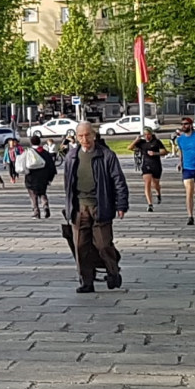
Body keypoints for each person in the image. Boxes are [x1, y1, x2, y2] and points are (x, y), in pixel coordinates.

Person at [64, 121, 129, 293]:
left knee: (103, 244)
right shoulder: (71, 156)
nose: (84, 139)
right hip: (79, 207)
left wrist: (121, 204)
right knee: (80, 246)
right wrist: (69, 206)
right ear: (76, 137)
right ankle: (86, 280)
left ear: (94, 135)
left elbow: (119, 181)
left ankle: (113, 271)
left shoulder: (106, 155)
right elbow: (68, 184)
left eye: (87, 135)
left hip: (101, 206)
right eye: (80, 136)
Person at [130, 128, 167, 212]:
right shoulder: (141, 143)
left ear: (151, 134)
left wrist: (155, 153)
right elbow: (130, 148)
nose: (147, 136)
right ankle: (150, 204)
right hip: (146, 165)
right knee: (147, 183)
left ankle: (158, 193)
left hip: (156, 165)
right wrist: (136, 140)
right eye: (145, 134)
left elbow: (165, 151)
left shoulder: (156, 142)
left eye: (148, 134)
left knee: (155, 184)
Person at [22, 134, 57, 219]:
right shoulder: (46, 153)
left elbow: (23, 165)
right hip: (43, 178)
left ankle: (36, 212)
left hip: (31, 178)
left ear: (31, 143)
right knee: (42, 193)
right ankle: (45, 206)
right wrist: (50, 178)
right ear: (40, 142)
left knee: (33, 195)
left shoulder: (28, 153)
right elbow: (52, 167)